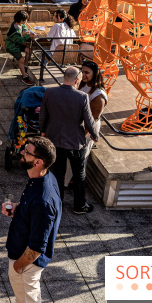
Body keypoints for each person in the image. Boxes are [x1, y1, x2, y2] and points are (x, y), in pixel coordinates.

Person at [4, 136, 62, 303]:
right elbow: (34, 212)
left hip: (26, 263)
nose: (22, 152)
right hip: (22, 257)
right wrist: (18, 208)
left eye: (26, 152)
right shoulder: (44, 177)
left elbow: (37, 247)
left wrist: (18, 266)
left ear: (38, 162)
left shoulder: (43, 201)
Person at [39, 66, 97, 215]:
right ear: (77, 80)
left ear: (64, 77)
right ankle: (79, 205)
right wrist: (95, 135)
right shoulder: (82, 97)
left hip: (54, 141)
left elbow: (43, 116)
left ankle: (58, 204)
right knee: (79, 175)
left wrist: (43, 132)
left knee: (58, 174)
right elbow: (89, 121)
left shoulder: (49, 92)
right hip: (75, 143)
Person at [6, 10, 34, 85]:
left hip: (16, 44)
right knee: (21, 60)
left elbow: (24, 26)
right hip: (12, 47)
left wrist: (25, 30)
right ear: (21, 20)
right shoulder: (14, 31)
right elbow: (20, 41)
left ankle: (25, 66)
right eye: (25, 20)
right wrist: (28, 35)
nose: (26, 22)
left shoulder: (18, 23)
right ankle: (24, 77)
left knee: (29, 51)